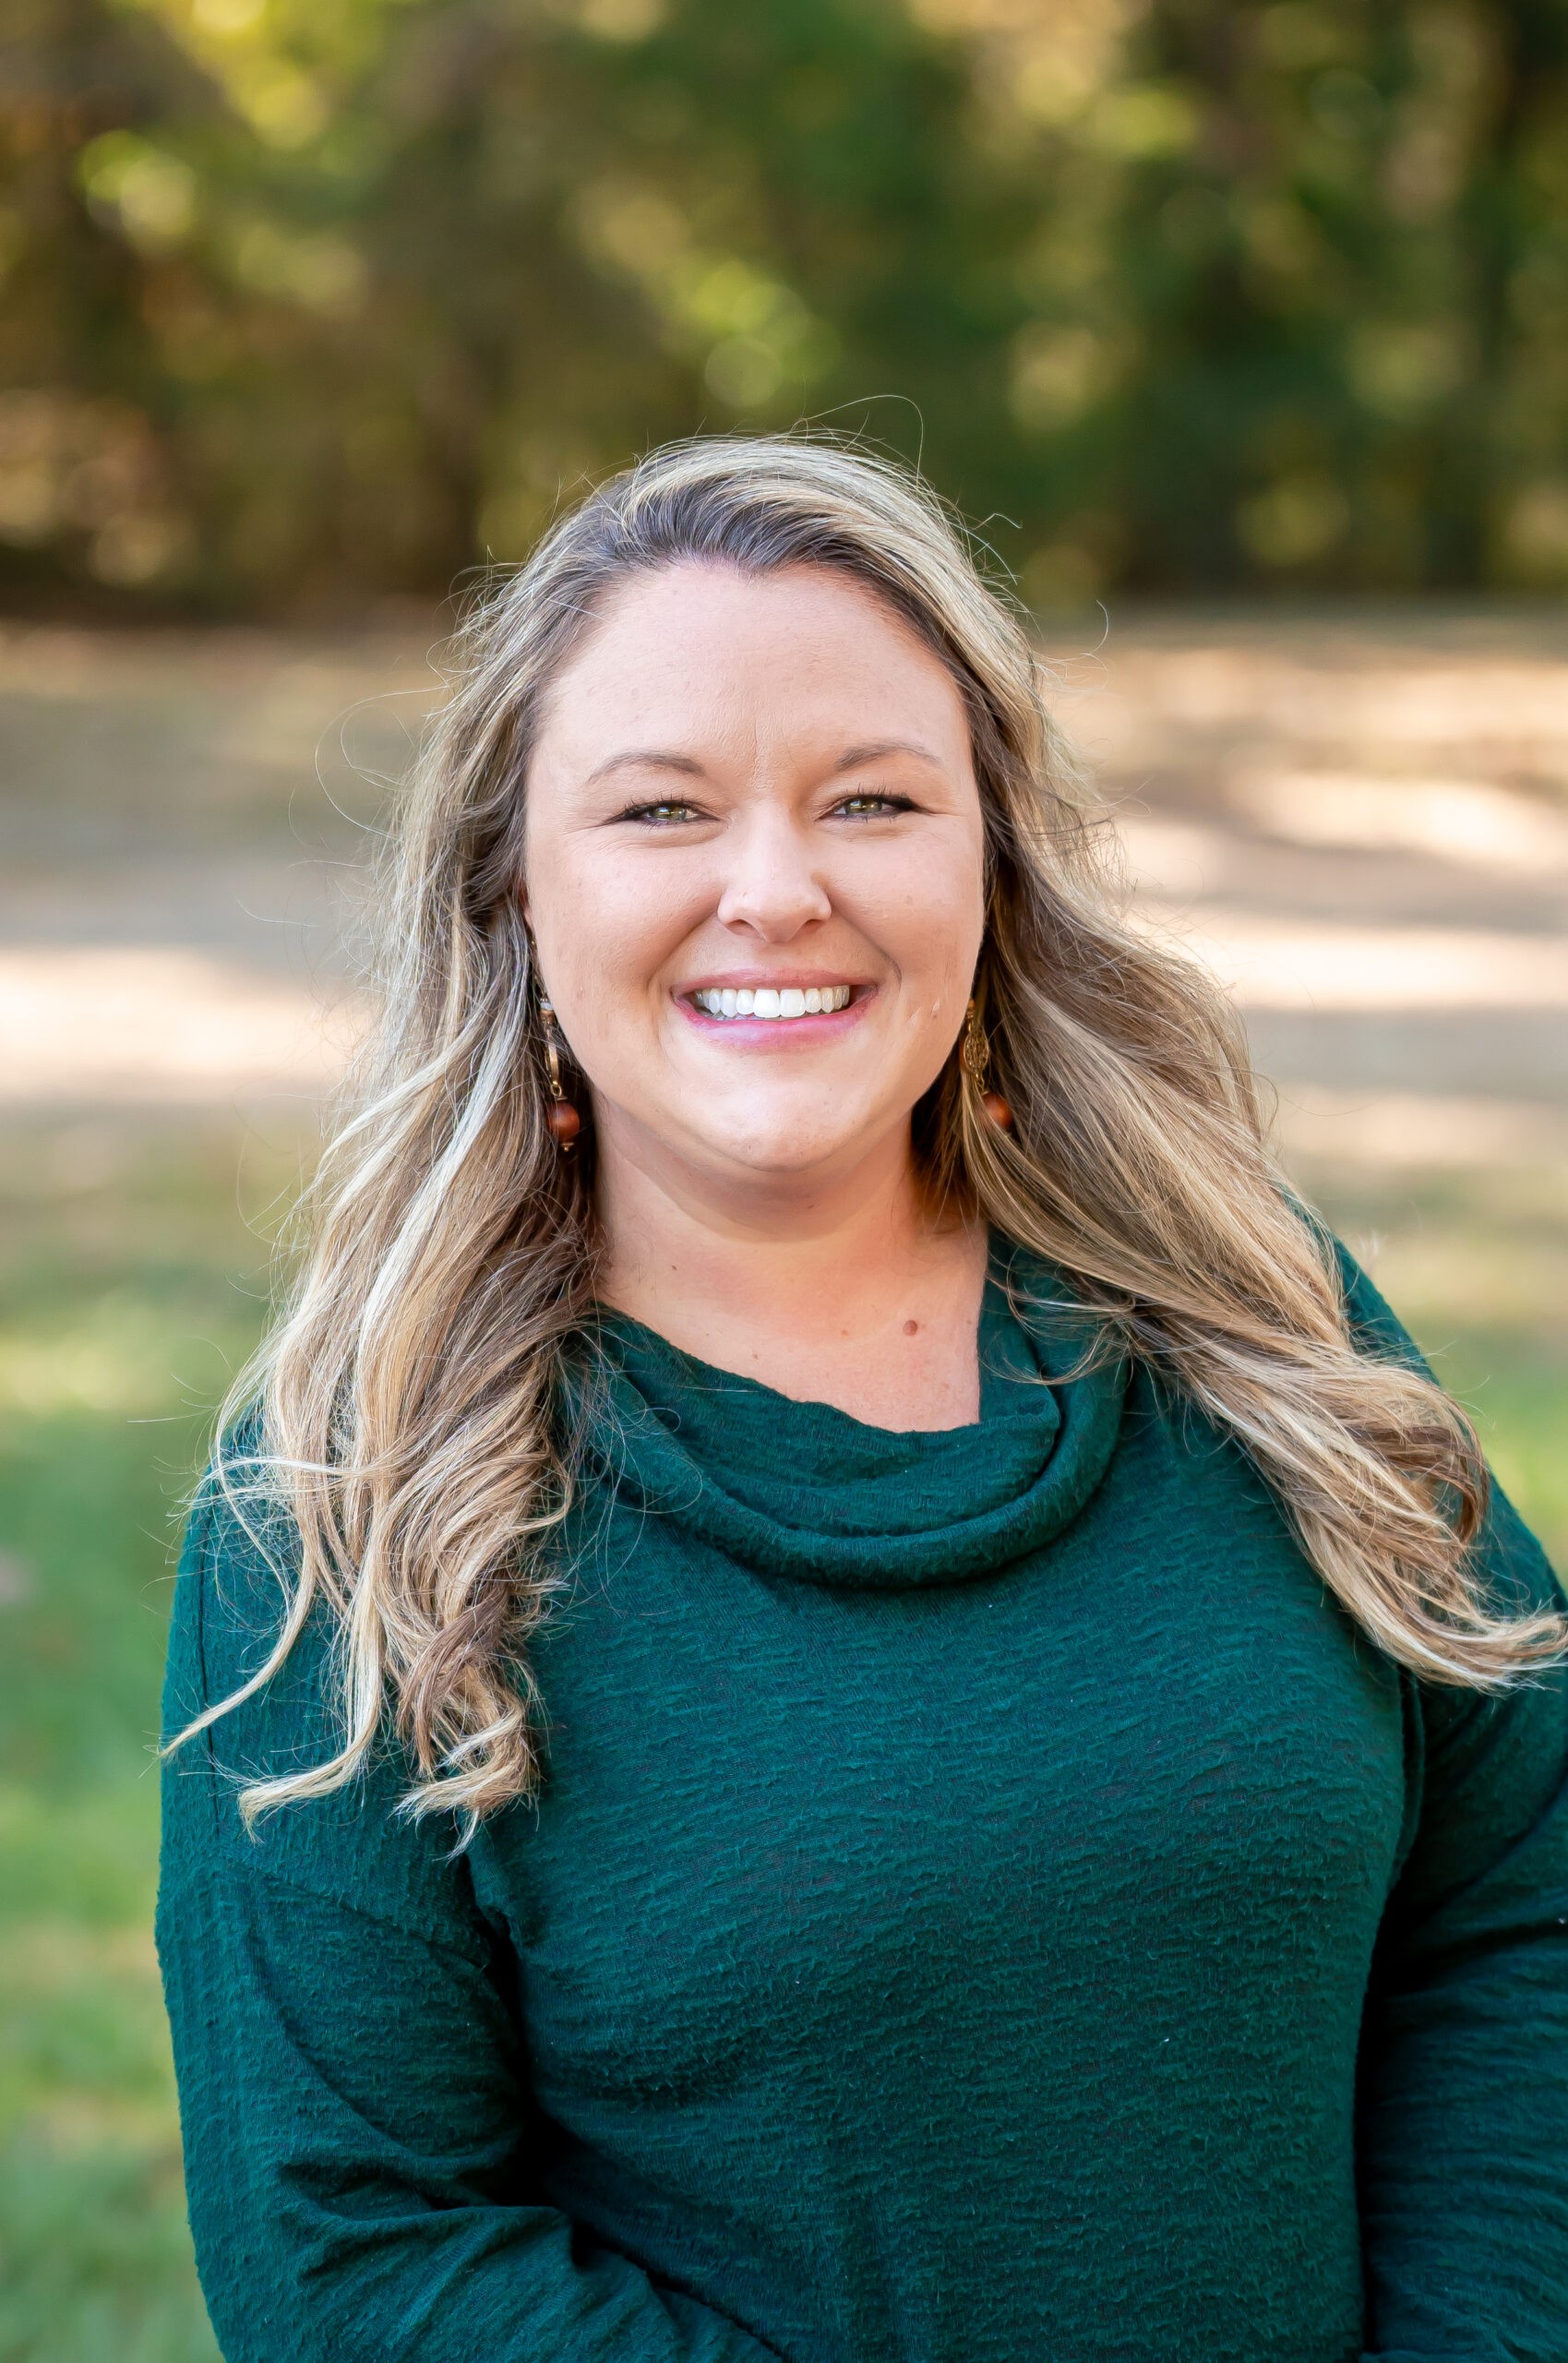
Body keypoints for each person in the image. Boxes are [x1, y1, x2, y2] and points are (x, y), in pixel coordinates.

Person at [156, 436, 1568, 2363]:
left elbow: (1517, 1896)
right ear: (510, 884)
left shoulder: (1253, 1313)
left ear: (990, 850)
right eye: (658, 808)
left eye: (870, 797)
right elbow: (361, 2253)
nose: (773, 888)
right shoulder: (349, 1485)